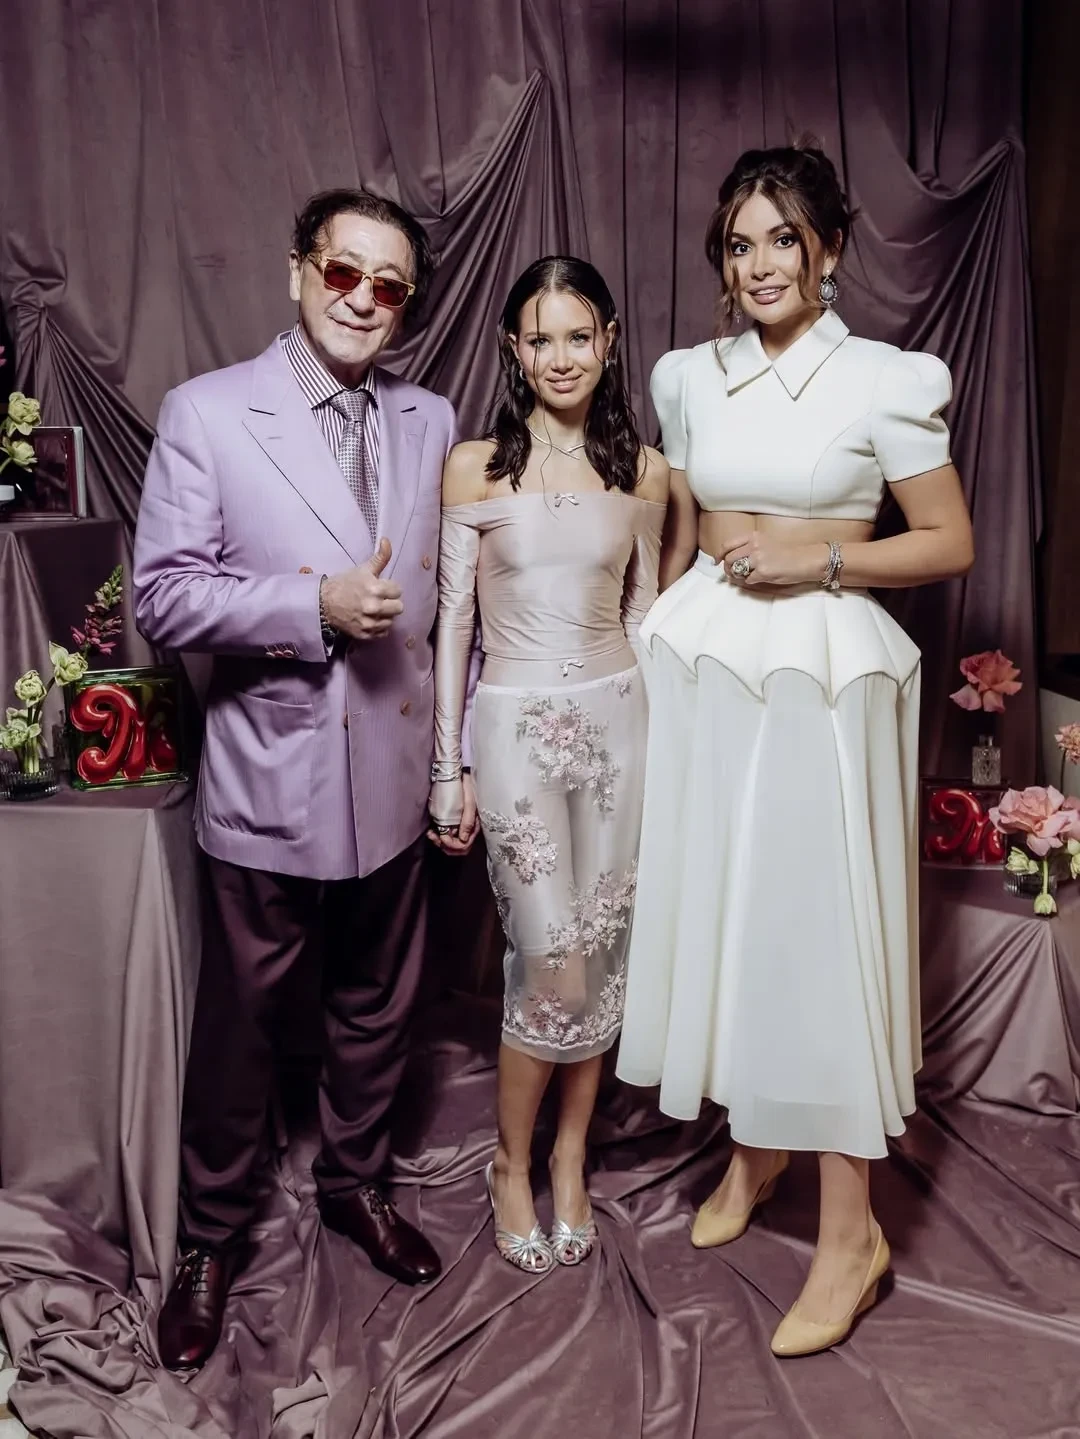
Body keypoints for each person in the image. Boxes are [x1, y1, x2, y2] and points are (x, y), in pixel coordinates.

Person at [616, 145, 975, 1355]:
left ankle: (851, 1234)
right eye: (739, 243)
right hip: (708, 657)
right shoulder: (688, 375)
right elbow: (677, 532)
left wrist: (817, 560)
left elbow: (947, 540)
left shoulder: (884, 378)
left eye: (782, 237)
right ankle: (754, 1144)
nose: (759, 263)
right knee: (726, 906)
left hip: (822, 664)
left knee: (815, 932)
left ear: (829, 249)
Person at [134, 188, 469, 1370]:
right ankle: (209, 1237)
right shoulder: (209, 410)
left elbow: (450, 605)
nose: (362, 300)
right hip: (272, 767)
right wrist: (310, 605)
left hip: (395, 765)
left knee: (379, 1000)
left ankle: (355, 1183)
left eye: (389, 286)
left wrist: (456, 758)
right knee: (244, 1023)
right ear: (298, 271)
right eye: (342, 272)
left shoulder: (430, 416)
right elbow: (162, 593)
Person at [429, 257, 668, 1272]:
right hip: (514, 728)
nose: (560, 357)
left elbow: (647, 615)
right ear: (513, 350)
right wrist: (447, 767)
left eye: (579, 336)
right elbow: (452, 626)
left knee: (604, 951)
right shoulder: (474, 467)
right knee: (552, 959)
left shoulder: (645, 472)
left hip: (621, 725)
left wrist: (675, 750)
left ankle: (571, 1155)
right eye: (540, 338)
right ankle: (508, 1162)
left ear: (609, 340)